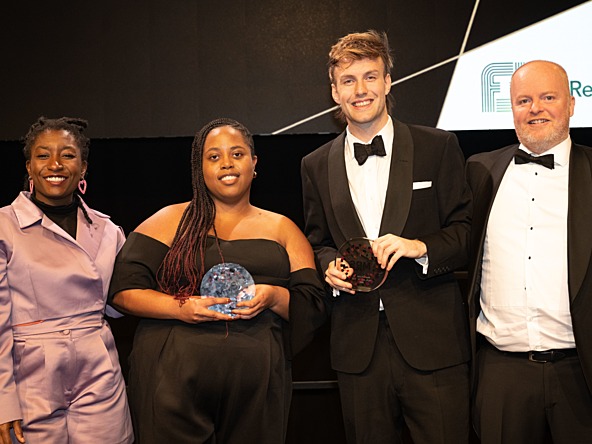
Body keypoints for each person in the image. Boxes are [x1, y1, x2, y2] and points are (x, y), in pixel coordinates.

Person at [108, 117, 326, 444]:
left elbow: (313, 306)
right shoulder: (168, 221)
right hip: (172, 383)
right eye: (214, 156)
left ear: (254, 164)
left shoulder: (283, 228)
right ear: (200, 167)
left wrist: (273, 295)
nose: (226, 163)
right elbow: (122, 292)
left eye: (237, 154)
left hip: (256, 389)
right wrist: (180, 308)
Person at [300, 30, 472, 443]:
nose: (360, 90)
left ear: (388, 82)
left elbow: (467, 233)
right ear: (334, 91)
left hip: (433, 344)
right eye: (348, 80)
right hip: (357, 348)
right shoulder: (314, 165)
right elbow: (317, 241)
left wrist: (421, 247)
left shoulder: (438, 146)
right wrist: (328, 267)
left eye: (370, 77)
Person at [466, 60, 592, 443]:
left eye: (547, 97)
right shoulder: (479, 170)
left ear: (571, 104)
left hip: (581, 371)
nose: (535, 108)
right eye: (523, 100)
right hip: (502, 373)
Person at [0, 117, 133, 444]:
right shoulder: (4, 226)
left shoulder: (107, 230)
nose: (55, 164)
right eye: (43, 155)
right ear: (29, 166)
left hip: (98, 367)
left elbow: (119, 302)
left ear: (84, 167)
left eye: (68, 155)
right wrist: (3, 399)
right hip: (30, 373)